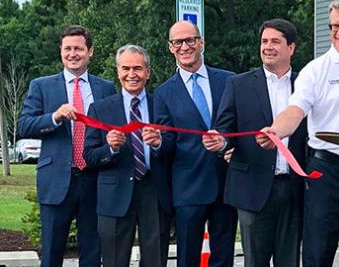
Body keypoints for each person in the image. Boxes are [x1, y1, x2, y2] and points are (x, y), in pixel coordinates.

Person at [257, 0, 339, 267]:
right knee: (318, 253)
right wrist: (276, 131)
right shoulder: (315, 70)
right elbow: (295, 111)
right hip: (328, 174)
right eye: (334, 26)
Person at [207, 18, 309, 267]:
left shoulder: (306, 84)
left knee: (290, 261)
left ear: (291, 47)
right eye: (264, 41)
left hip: (294, 189)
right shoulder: (238, 84)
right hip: (252, 188)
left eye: (275, 41)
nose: (268, 46)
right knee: (255, 262)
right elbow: (224, 130)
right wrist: (219, 143)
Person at [17, 25, 114, 267]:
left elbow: (110, 130)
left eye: (78, 48)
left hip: (94, 180)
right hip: (56, 180)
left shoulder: (106, 88)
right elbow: (23, 125)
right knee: (51, 253)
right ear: (60, 51)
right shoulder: (42, 85)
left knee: (92, 253)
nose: (73, 54)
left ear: (90, 51)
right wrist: (54, 117)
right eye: (67, 48)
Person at [153, 21, 237, 267]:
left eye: (190, 40)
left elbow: (239, 126)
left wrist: (226, 145)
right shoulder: (163, 93)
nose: (185, 46)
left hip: (226, 184)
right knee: (187, 258)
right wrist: (158, 142)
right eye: (178, 42)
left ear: (201, 42)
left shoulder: (229, 81)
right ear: (170, 48)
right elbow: (166, 142)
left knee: (224, 257)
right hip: (188, 188)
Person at [83, 45, 173, 267]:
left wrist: (160, 142)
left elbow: (174, 145)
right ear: (117, 71)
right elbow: (89, 155)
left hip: (154, 190)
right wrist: (111, 149)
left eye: (138, 68)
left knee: (156, 259)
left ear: (148, 72)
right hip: (114, 194)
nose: (132, 74)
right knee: (113, 260)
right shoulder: (100, 108)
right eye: (126, 68)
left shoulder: (161, 103)